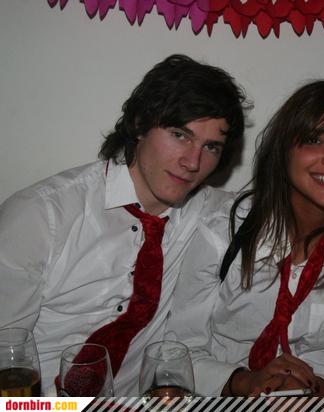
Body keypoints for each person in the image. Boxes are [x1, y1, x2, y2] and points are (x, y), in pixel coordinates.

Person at [0, 54, 247, 396]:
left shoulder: (208, 215)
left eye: (211, 147)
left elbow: (281, 206)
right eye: (179, 134)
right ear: (139, 123)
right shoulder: (41, 216)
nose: (193, 162)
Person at [167, 80, 324, 396]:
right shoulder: (224, 229)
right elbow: (180, 348)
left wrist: (319, 389)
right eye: (313, 140)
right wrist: (244, 382)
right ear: (283, 150)